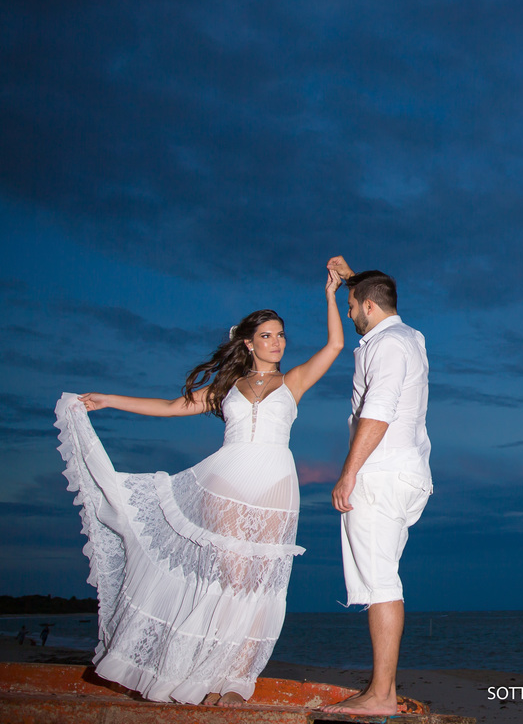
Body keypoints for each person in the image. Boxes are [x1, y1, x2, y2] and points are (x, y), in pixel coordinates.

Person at [53, 267, 344, 706]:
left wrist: (330, 296)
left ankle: (235, 683)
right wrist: (109, 399)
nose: (277, 342)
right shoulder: (228, 387)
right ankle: (204, 674)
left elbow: (337, 345)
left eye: (281, 335)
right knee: (228, 579)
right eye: (267, 335)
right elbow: (171, 407)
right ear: (248, 342)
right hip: (225, 482)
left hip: (278, 487)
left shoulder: (294, 381)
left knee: (260, 586)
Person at [319, 256, 432, 717]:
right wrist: (351, 277)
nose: (348, 313)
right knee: (383, 576)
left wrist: (349, 472)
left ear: (367, 307)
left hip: (380, 473)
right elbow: (378, 292)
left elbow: (378, 409)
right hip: (405, 474)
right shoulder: (409, 337)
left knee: (383, 580)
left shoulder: (386, 345)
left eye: (350, 306)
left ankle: (382, 695)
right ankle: (378, 689)